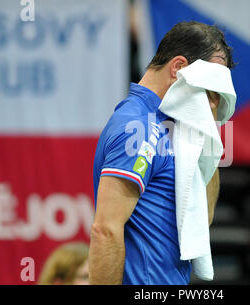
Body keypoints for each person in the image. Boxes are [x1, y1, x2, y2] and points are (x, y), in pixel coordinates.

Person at [89, 21, 235, 285]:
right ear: (178, 68)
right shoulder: (139, 127)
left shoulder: (175, 129)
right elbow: (105, 230)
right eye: (211, 89)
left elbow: (203, 219)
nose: (215, 102)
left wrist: (206, 132)